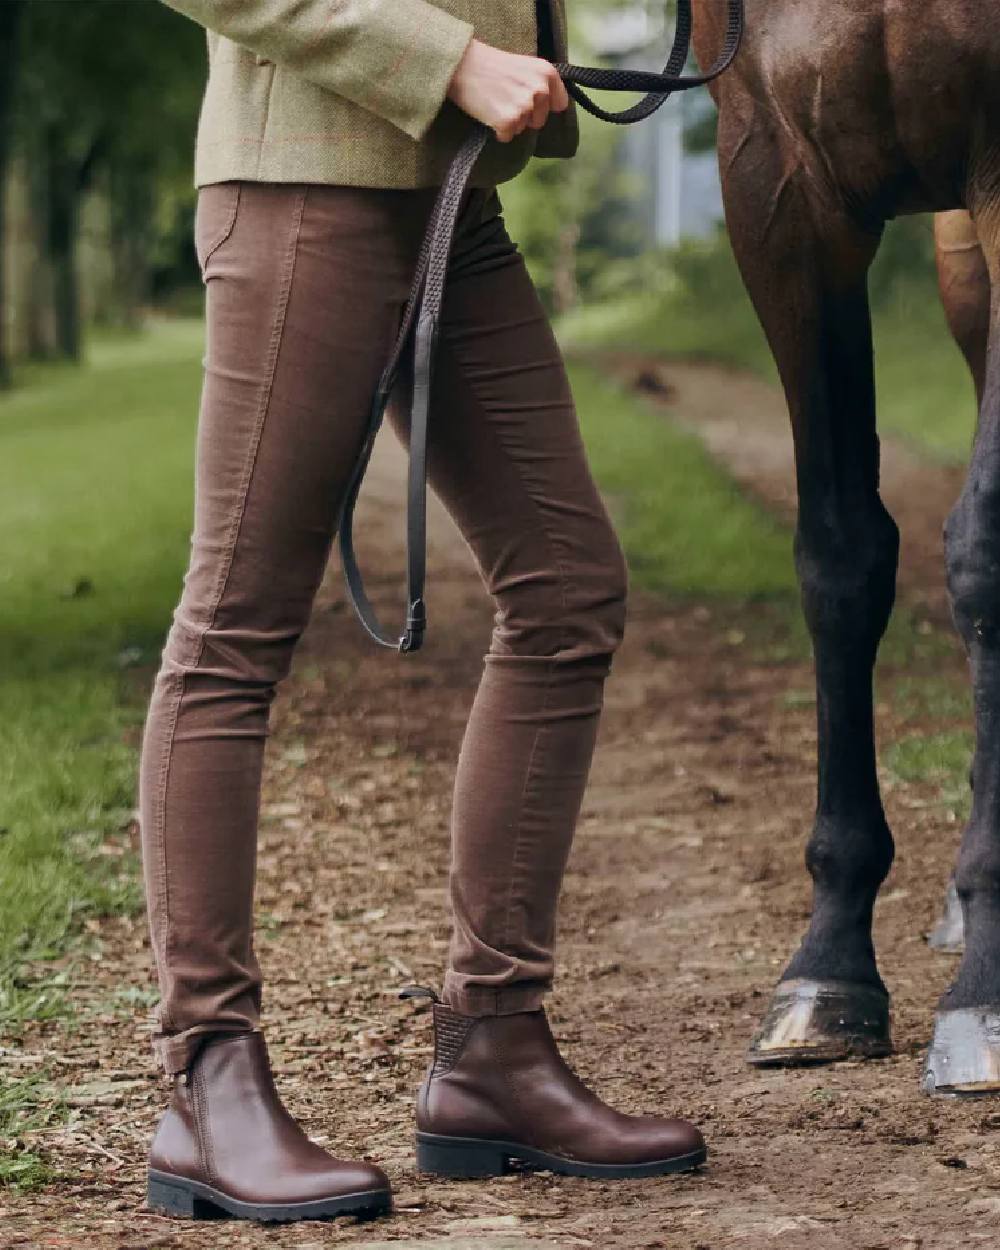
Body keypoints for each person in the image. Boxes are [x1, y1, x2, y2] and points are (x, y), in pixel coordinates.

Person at [140, 0, 706, 1224]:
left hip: (450, 193)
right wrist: (447, 60)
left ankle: (493, 1046)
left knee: (565, 587)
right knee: (233, 630)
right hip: (306, 188)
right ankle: (207, 1078)